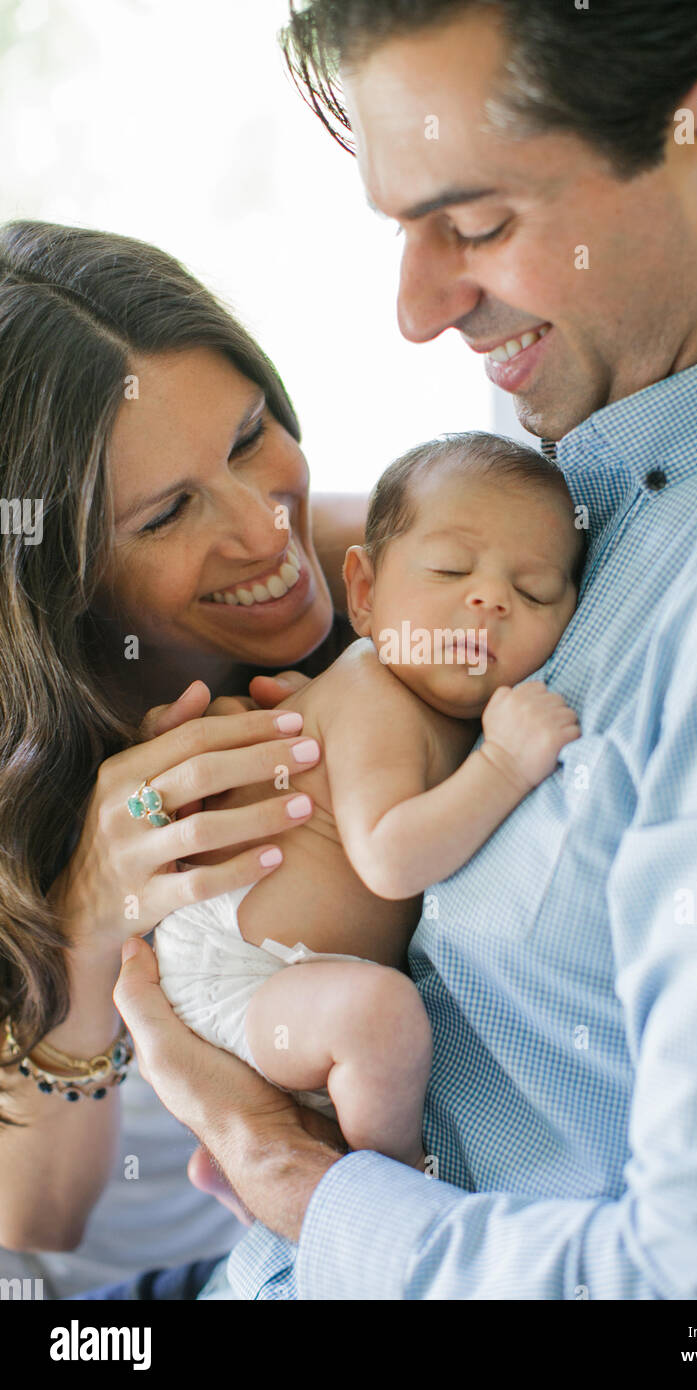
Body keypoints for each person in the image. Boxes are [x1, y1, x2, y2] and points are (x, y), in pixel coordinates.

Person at [112, 0, 697, 1300]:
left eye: (473, 225)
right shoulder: (605, 474)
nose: (416, 310)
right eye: (404, 228)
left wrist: (297, 1179)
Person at [0, 218, 367, 1298]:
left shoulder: (401, 573)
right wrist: (89, 917)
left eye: (250, 435)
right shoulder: (26, 779)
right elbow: (36, 1213)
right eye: (168, 512)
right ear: (55, 581)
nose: (265, 528)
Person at [153, 433, 583, 1166]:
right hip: (243, 966)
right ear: (366, 594)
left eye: (534, 591)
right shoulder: (373, 692)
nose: (490, 600)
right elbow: (390, 857)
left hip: (300, 981)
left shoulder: (442, 709)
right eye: (450, 569)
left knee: (376, 1018)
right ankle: (395, 1184)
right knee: (384, 1018)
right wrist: (507, 766)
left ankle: (263, 1175)